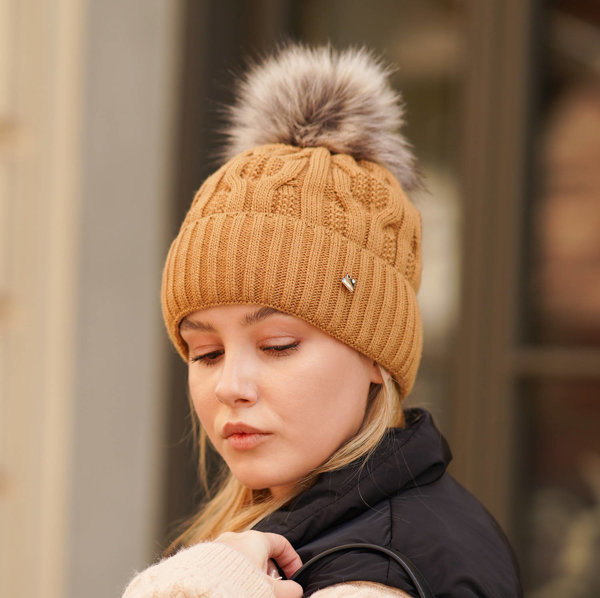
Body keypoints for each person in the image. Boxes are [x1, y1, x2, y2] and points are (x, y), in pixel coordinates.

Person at [122, 45, 522, 598]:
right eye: (205, 352)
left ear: (375, 355)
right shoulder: (320, 532)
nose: (229, 387)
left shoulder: (370, 574)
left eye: (279, 344)